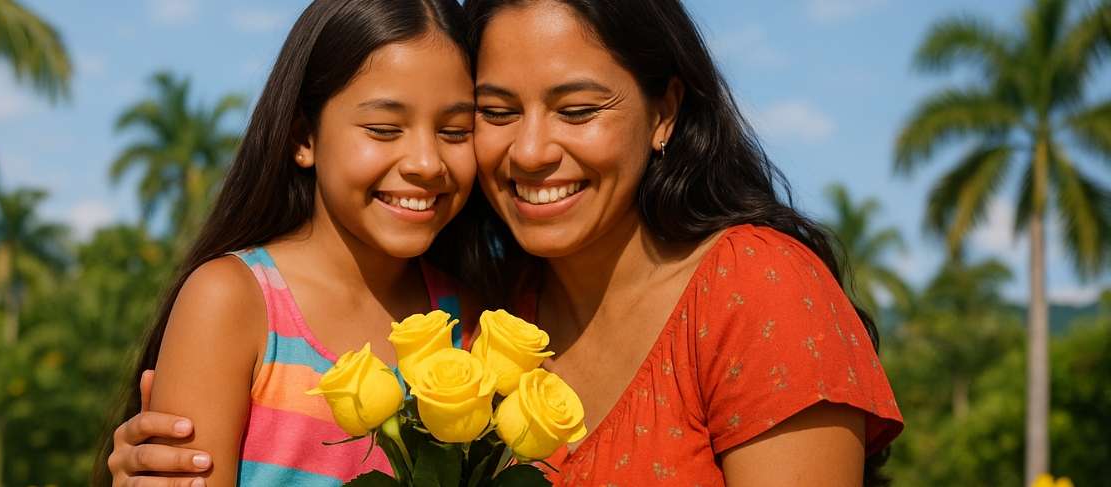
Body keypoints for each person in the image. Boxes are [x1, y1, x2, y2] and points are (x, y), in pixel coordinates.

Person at [107, 1, 905, 485]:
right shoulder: (494, 313)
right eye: (495, 111)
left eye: (577, 109)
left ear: (665, 112)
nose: (529, 150)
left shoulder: (756, 289)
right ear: (302, 134)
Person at [94, 0, 482, 485]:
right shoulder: (233, 302)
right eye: (383, 129)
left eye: (455, 131)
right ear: (304, 138)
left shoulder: (475, 325)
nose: (426, 162)